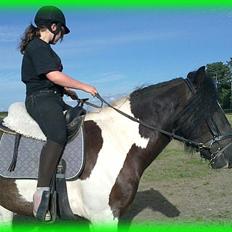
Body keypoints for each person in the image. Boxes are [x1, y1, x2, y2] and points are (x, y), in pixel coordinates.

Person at [19, 6, 97, 221]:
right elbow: (53, 76)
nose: (61, 36)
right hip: (39, 100)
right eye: (61, 31)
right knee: (57, 135)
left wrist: (69, 92)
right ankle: (41, 193)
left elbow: (53, 80)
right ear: (54, 27)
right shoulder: (37, 46)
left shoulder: (44, 48)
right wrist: (83, 86)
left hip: (53, 97)